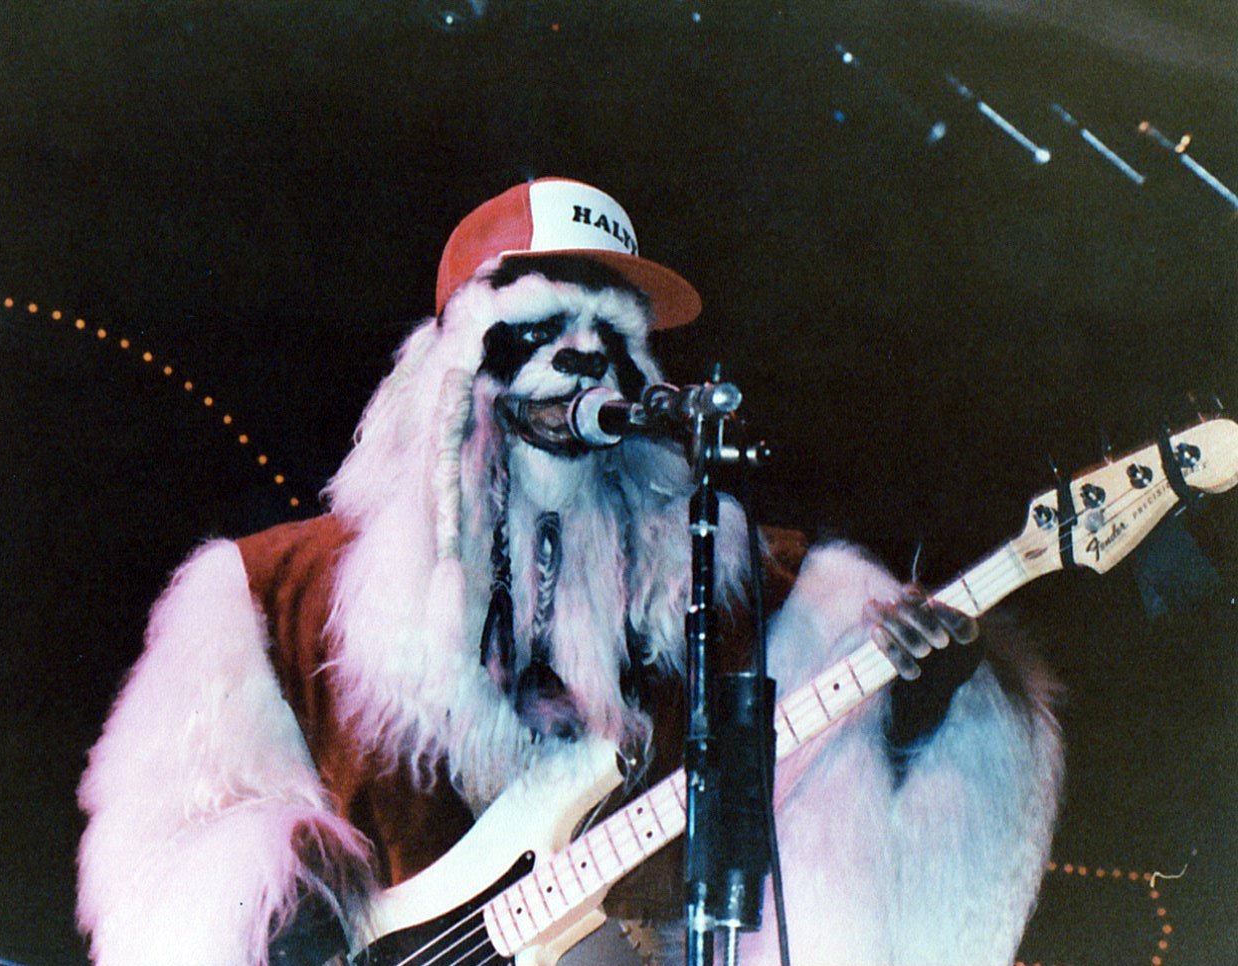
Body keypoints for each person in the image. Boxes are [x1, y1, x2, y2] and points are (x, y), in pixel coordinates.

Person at [76, 177, 1063, 966]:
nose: (587, 360)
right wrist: (264, 903)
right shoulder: (272, 599)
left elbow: (831, 850)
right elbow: (167, 859)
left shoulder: (749, 592)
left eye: (613, 335)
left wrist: (920, 720)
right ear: (455, 366)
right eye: (545, 326)